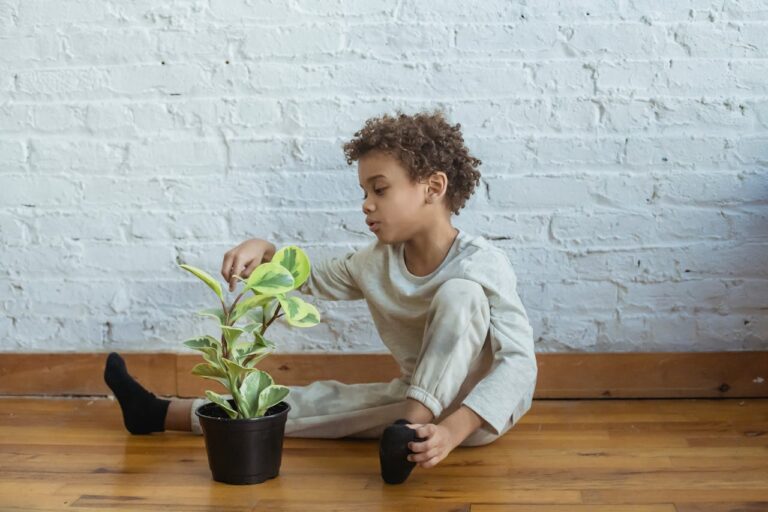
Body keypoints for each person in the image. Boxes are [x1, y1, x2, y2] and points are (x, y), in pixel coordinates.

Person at [104, 109, 538, 484]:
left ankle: (412, 426)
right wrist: (265, 249)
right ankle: (158, 413)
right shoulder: (375, 262)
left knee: (460, 295)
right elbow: (309, 276)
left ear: (433, 186)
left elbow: (519, 365)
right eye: (364, 192)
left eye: (380, 189)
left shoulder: (481, 263)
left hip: (475, 417)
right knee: (315, 403)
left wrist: (454, 430)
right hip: (412, 405)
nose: (366, 204)